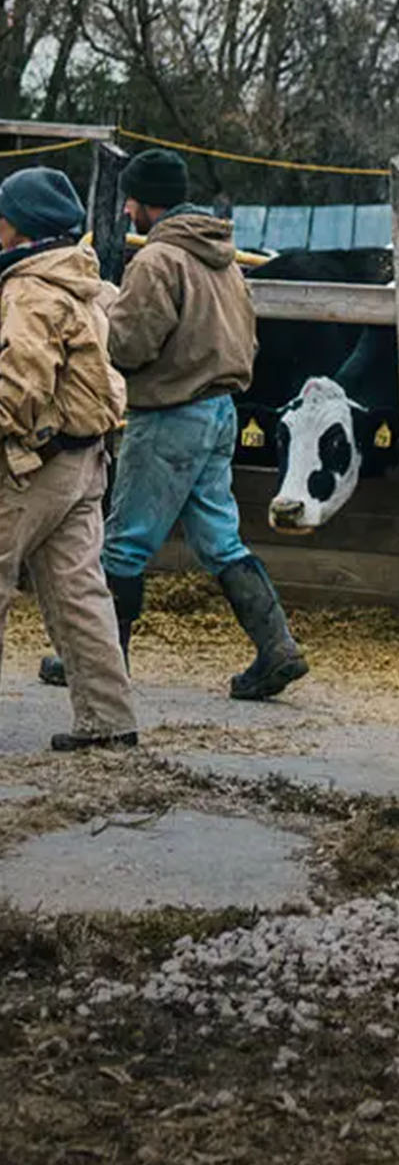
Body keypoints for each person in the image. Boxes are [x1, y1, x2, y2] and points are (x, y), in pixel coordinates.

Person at [38, 148, 307, 700]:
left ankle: (99, 663)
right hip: (220, 411)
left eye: (131, 199)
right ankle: (277, 647)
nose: (126, 209)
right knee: (220, 539)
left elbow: (130, 344)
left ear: (148, 200)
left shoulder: (159, 260)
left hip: (169, 416)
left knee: (124, 543)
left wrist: (102, 319)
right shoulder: (222, 257)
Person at [0, 167, 140, 749]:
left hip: (31, 467)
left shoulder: (29, 291)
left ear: (18, 226)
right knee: (79, 592)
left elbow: (18, 389)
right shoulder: (83, 283)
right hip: (85, 462)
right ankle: (109, 720)